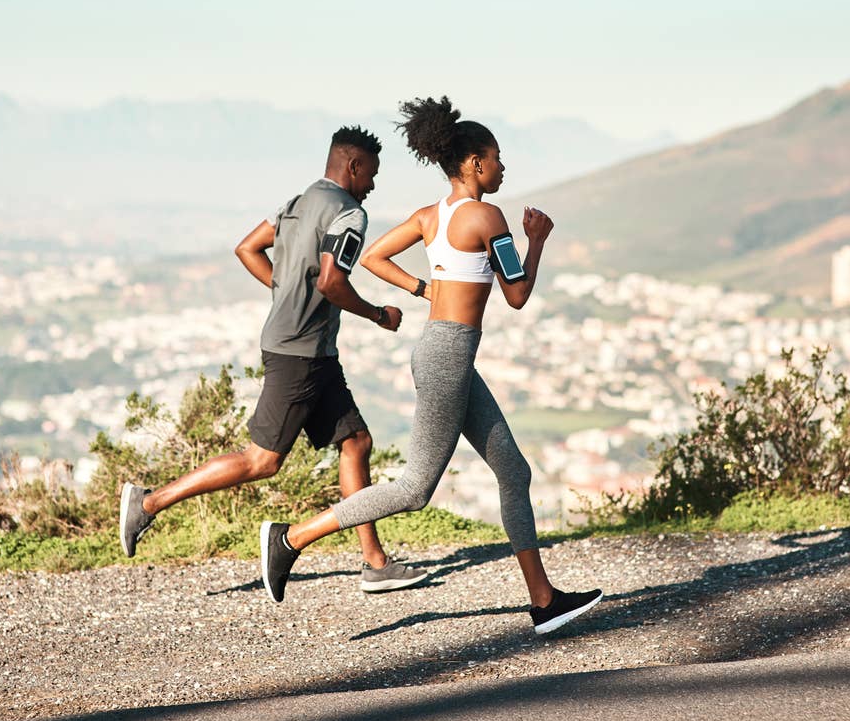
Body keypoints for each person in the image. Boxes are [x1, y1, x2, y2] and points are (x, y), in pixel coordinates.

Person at [258, 97, 602, 635]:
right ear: (473, 164)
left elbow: (372, 257)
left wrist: (423, 288)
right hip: (449, 356)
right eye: (496, 157)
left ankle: (544, 601)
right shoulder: (488, 217)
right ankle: (290, 540)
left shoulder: (429, 216)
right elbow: (516, 295)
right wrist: (537, 242)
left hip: (442, 351)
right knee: (416, 488)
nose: (502, 167)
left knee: (514, 470)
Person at [118, 126, 428, 594]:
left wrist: (286, 293)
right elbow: (330, 282)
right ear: (354, 166)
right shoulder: (349, 214)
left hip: (310, 352)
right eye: (372, 174)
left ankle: (374, 561)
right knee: (261, 461)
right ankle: (149, 504)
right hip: (300, 354)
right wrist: (377, 314)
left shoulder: (295, 204)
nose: (372, 185)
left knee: (356, 442)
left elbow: (247, 247)